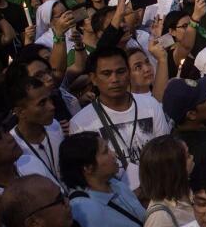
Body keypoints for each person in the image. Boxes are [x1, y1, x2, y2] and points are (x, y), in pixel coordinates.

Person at [68, 46, 171, 191]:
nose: (115, 79)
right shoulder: (80, 123)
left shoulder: (151, 105)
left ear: (128, 73)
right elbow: (88, 178)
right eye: (106, 73)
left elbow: (167, 154)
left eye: (120, 72)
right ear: (94, 79)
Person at [60, 132, 147, 227]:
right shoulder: (84, 210)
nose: (114, 154)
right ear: (88, 167)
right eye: (106, 152)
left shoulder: (116, 183)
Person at [138, 134, 195, 227]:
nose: (193, 157)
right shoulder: (159, 219)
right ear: (174, 169)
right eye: (188, 156)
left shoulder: (187, 190)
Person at [7, 74, 65, 186]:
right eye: (42, 103)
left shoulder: (55, 125)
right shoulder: (12, 146)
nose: (52, 107)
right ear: (20, 112)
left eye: (50, 99)